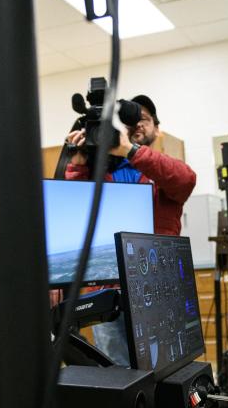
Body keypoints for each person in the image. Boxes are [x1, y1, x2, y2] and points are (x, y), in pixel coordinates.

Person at [65, 95, 196, 364]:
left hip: (159, 288)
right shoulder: (95, 171)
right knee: (119, 374)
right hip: (107, 290)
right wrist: (77, 162)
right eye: (127, 122)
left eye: (143, 119)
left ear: (157, 129)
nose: (135, 125)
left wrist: (131, 151)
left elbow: (185, 180)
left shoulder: (163, 169)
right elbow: (74, 209)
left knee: (166, 368)